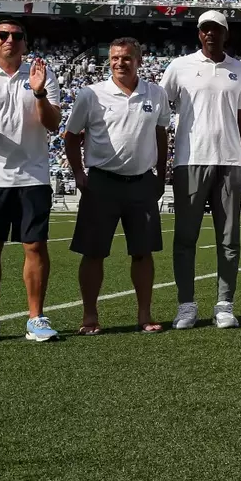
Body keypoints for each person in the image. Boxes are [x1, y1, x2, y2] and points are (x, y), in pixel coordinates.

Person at [0, 20, 62, 343]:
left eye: (17, 36)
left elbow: (53, 124)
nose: (10, 40)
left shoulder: (41, 73)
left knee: (35, 245)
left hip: (31, 174)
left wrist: (40, 92)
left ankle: (36, 317)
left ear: (25, 43)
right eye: (3, 35)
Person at [63, 38, 171, 335]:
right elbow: (71, 136)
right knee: (93, 252)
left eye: (125, 58)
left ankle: (144, 315)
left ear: (139, 60)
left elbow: (161, 136)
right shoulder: (91, 94)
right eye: (114, 58)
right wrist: (78, 174)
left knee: (143, 252)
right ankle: (89, 317)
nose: (119, 63)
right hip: (102, 182)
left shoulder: (157, 93)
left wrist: (161, 175)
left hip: (141, 183)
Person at [161, 9, 241, 330]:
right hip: (190, 160)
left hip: (229, 164)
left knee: (229, 239)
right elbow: (161, 107)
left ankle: (224, 304)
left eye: (216, 29)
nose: (210, 34)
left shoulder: (240, 70)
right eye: (204, 30)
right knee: (186, 237)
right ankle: (186, 305)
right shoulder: (179, 67)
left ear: (226, 34)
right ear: (199, 34)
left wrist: (236, 154)